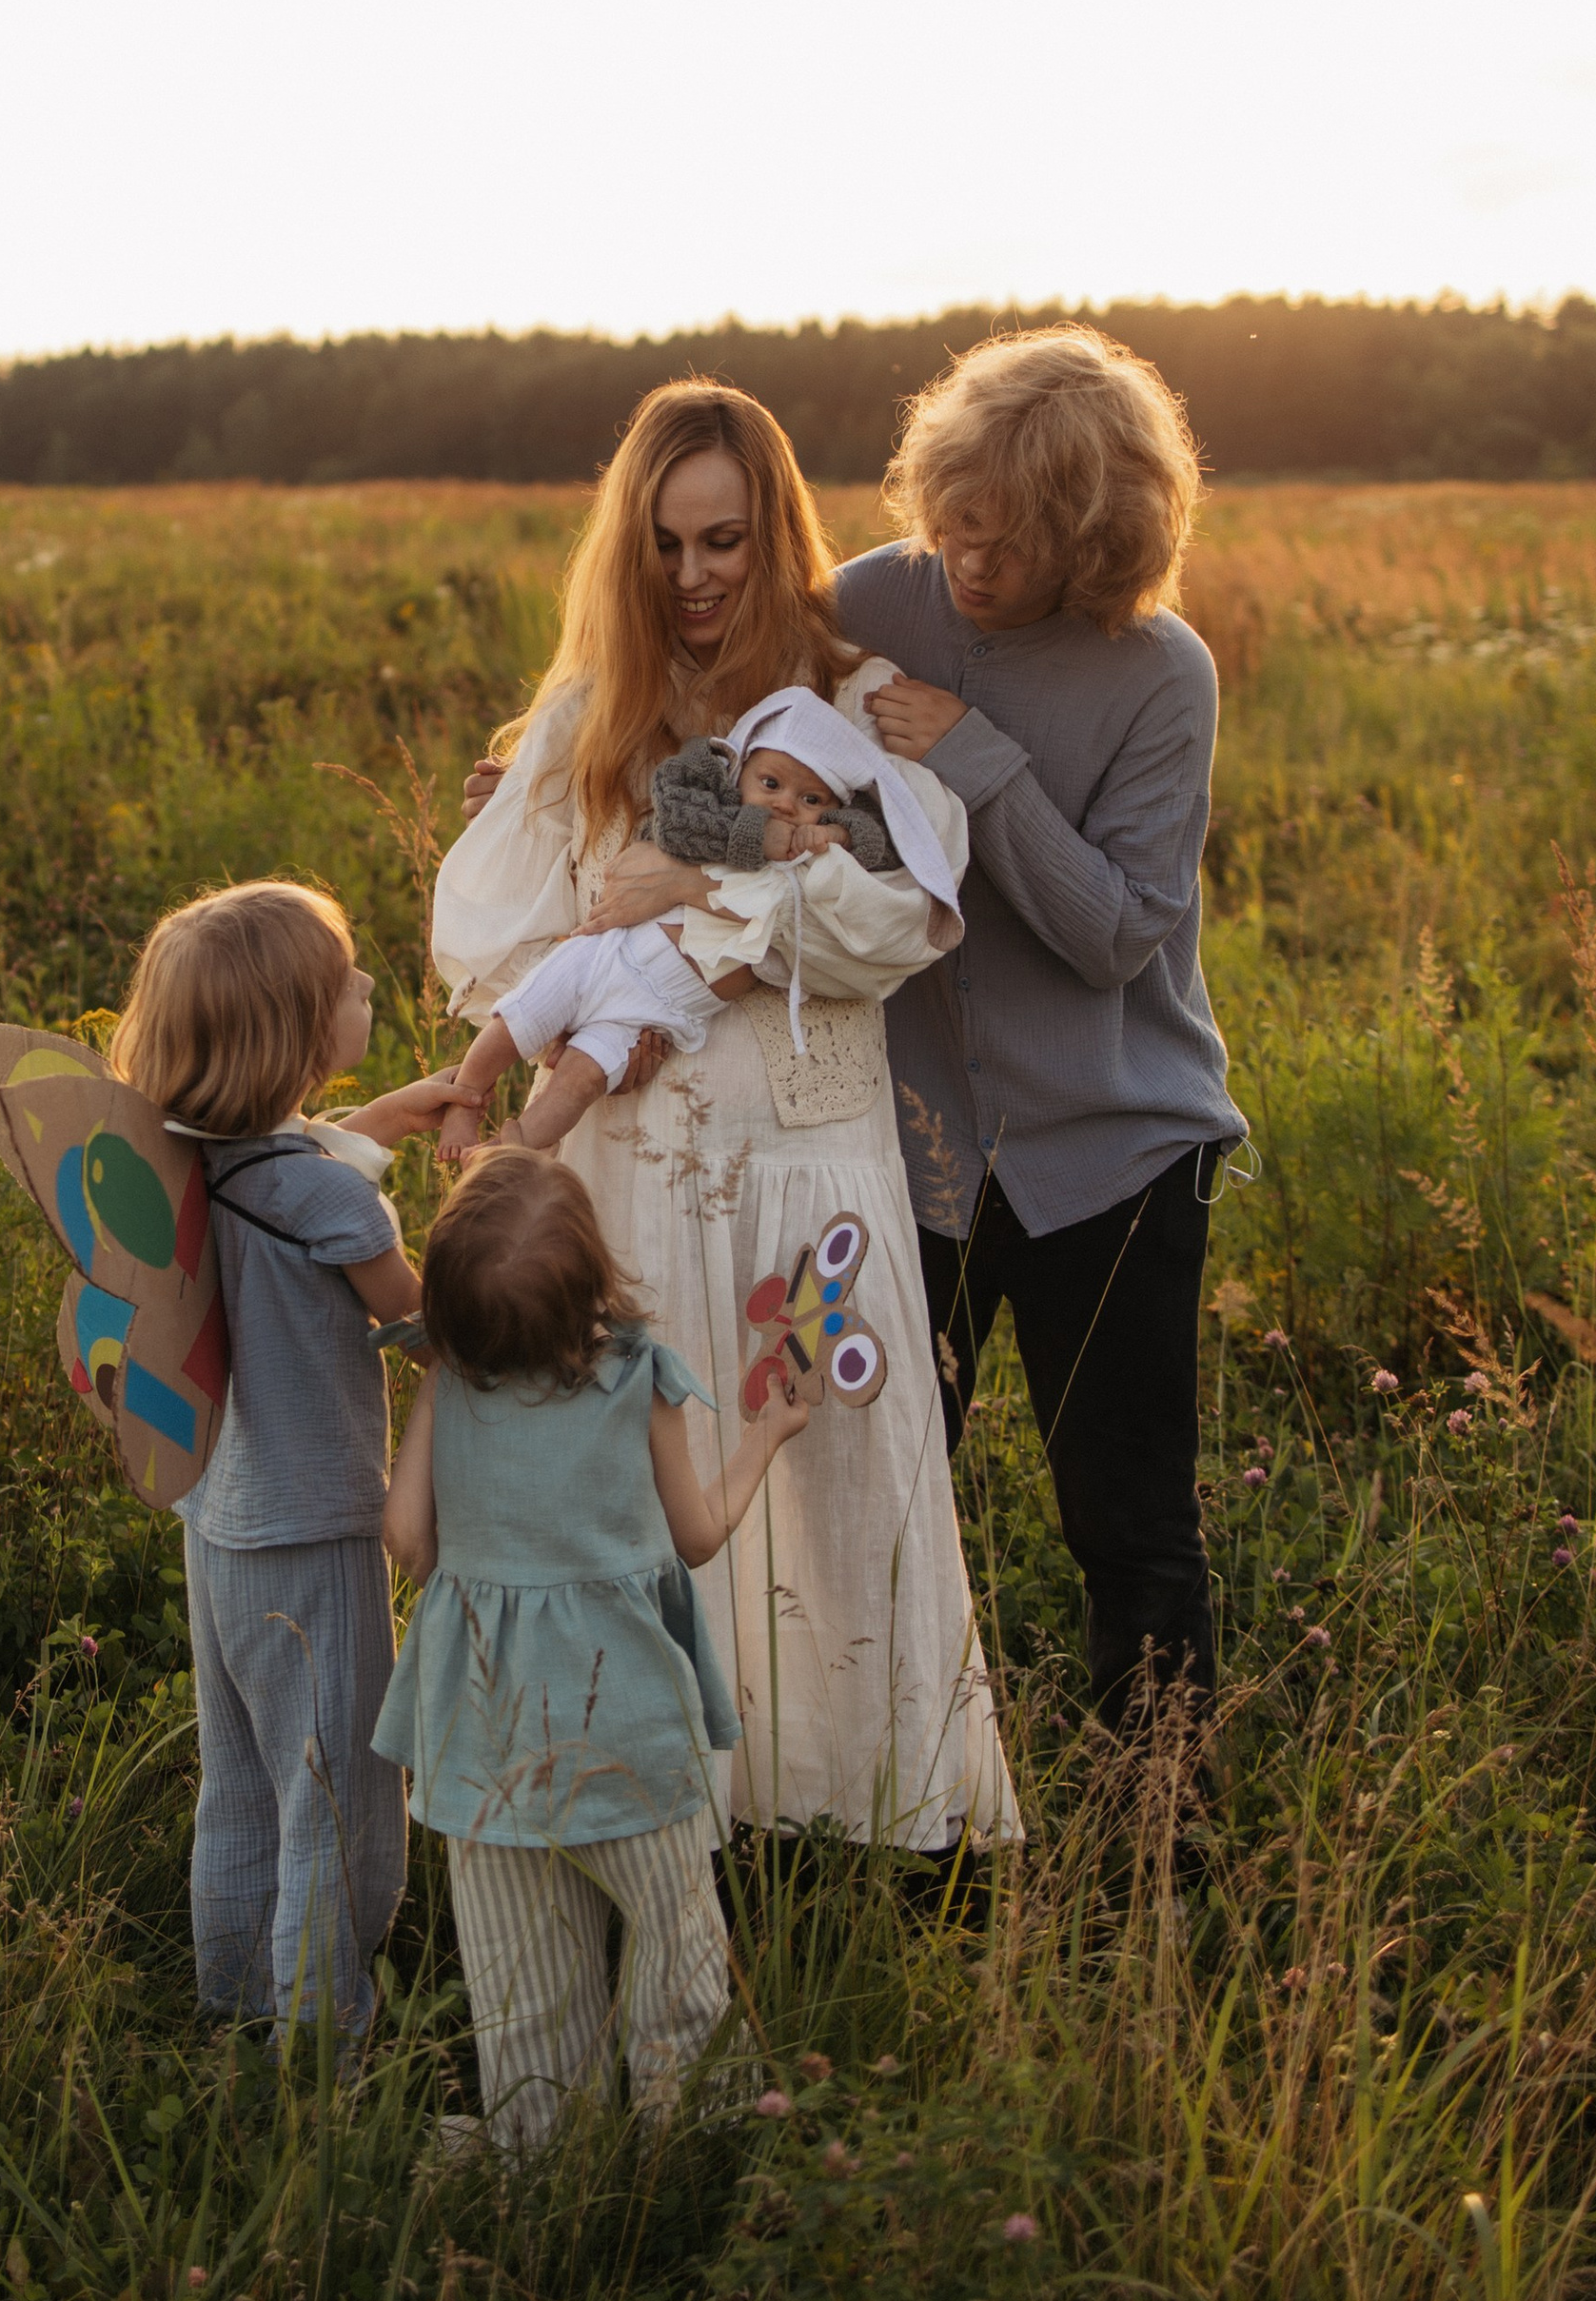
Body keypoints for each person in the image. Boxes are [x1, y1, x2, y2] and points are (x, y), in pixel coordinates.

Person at [437, 379, 1018, 1852]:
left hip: (806, 1149)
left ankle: (872, 1817)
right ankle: (669, 1820)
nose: (694, 576)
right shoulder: (592, 718)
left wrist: (705, 891)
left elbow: (902, 920)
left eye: (725, 541)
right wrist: (617, 991)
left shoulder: (851, 706)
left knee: (830, 1461)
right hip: (631, 1160)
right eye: (666, 544)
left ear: (776, 534)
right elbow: (507, 938)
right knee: (652, 1481)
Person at [838, 324, 1244, 1719]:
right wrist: (546, 782)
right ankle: (879, 1811)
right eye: (951, 519)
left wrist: (972, 756)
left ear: (1094, 540)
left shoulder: (1162, 671)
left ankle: (1158, 1823)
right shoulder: (866, 602)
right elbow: (717, 747)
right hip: (904, 1157)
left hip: (1114, 1160)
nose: (966, 559)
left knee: (1128, 1528)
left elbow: (1116, 936)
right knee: (871, 1505)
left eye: (1006, 542)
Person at [375, 1155, 819, 2149]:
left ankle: (540, 2147)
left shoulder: (448, 1380)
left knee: (522, 1980)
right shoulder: (637, 1377)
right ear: (592, 1281)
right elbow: (697, 1534)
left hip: (484, 1738)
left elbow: (405, 1535)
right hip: (630, 1732)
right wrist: (766, 1436)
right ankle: (691, 2135)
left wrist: (471, 1546)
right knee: (675, 1946)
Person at [108, 878, 462, 2036]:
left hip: (217, 1515)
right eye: (343, 982)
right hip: (315, 1530)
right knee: (340, 1795)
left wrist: (386, 1118)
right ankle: (320, 2042)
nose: (363, 985)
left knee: (246, 1780)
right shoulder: (331, 1204)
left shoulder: (177, 1164)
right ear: (300, 1037)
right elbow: (429, 1330)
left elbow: (285, 1166)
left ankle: (233, 1999)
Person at [435, 691, 948, 1161]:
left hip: (655, 1012)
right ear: (738, 775)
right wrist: (765, 837)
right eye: (770, 784)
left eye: (811, 800)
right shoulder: (712, 821)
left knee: (580, 1080)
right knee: (519, 1020)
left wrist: (837, 835)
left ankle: (512, 1147)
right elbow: (677, 814)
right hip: (605, 958)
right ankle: (465, 1099)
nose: (786, 804)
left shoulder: (811, 869)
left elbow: (882, 844)